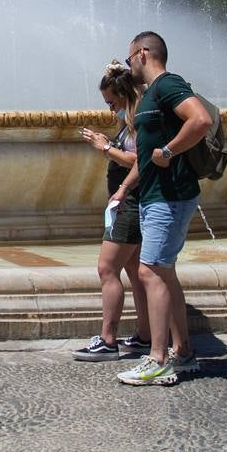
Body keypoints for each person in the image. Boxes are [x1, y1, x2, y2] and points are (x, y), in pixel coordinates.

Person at [111, 31, 211, 386]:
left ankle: (157, 359)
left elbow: (200, 120)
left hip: (169, 197)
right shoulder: (152, 93)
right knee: (163, 272)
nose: (128, 66)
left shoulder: (168, 84)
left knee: (150, 271)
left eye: (128, 60)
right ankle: (183, 353)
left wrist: (168, 152)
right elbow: (146, 154)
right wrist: (127, 187)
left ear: (142, 53)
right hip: (158, 194)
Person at [73, 62, 151, 361]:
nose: (110, 109)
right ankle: (145, 336)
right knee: (135, 271)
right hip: (130, 201)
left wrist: (104, 147)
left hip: (129, 202)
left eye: (112, 102)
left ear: (126, 96)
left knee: (107, 269)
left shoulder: (136, 123)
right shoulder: (132, 121)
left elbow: (140, 161)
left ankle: (108, 339)